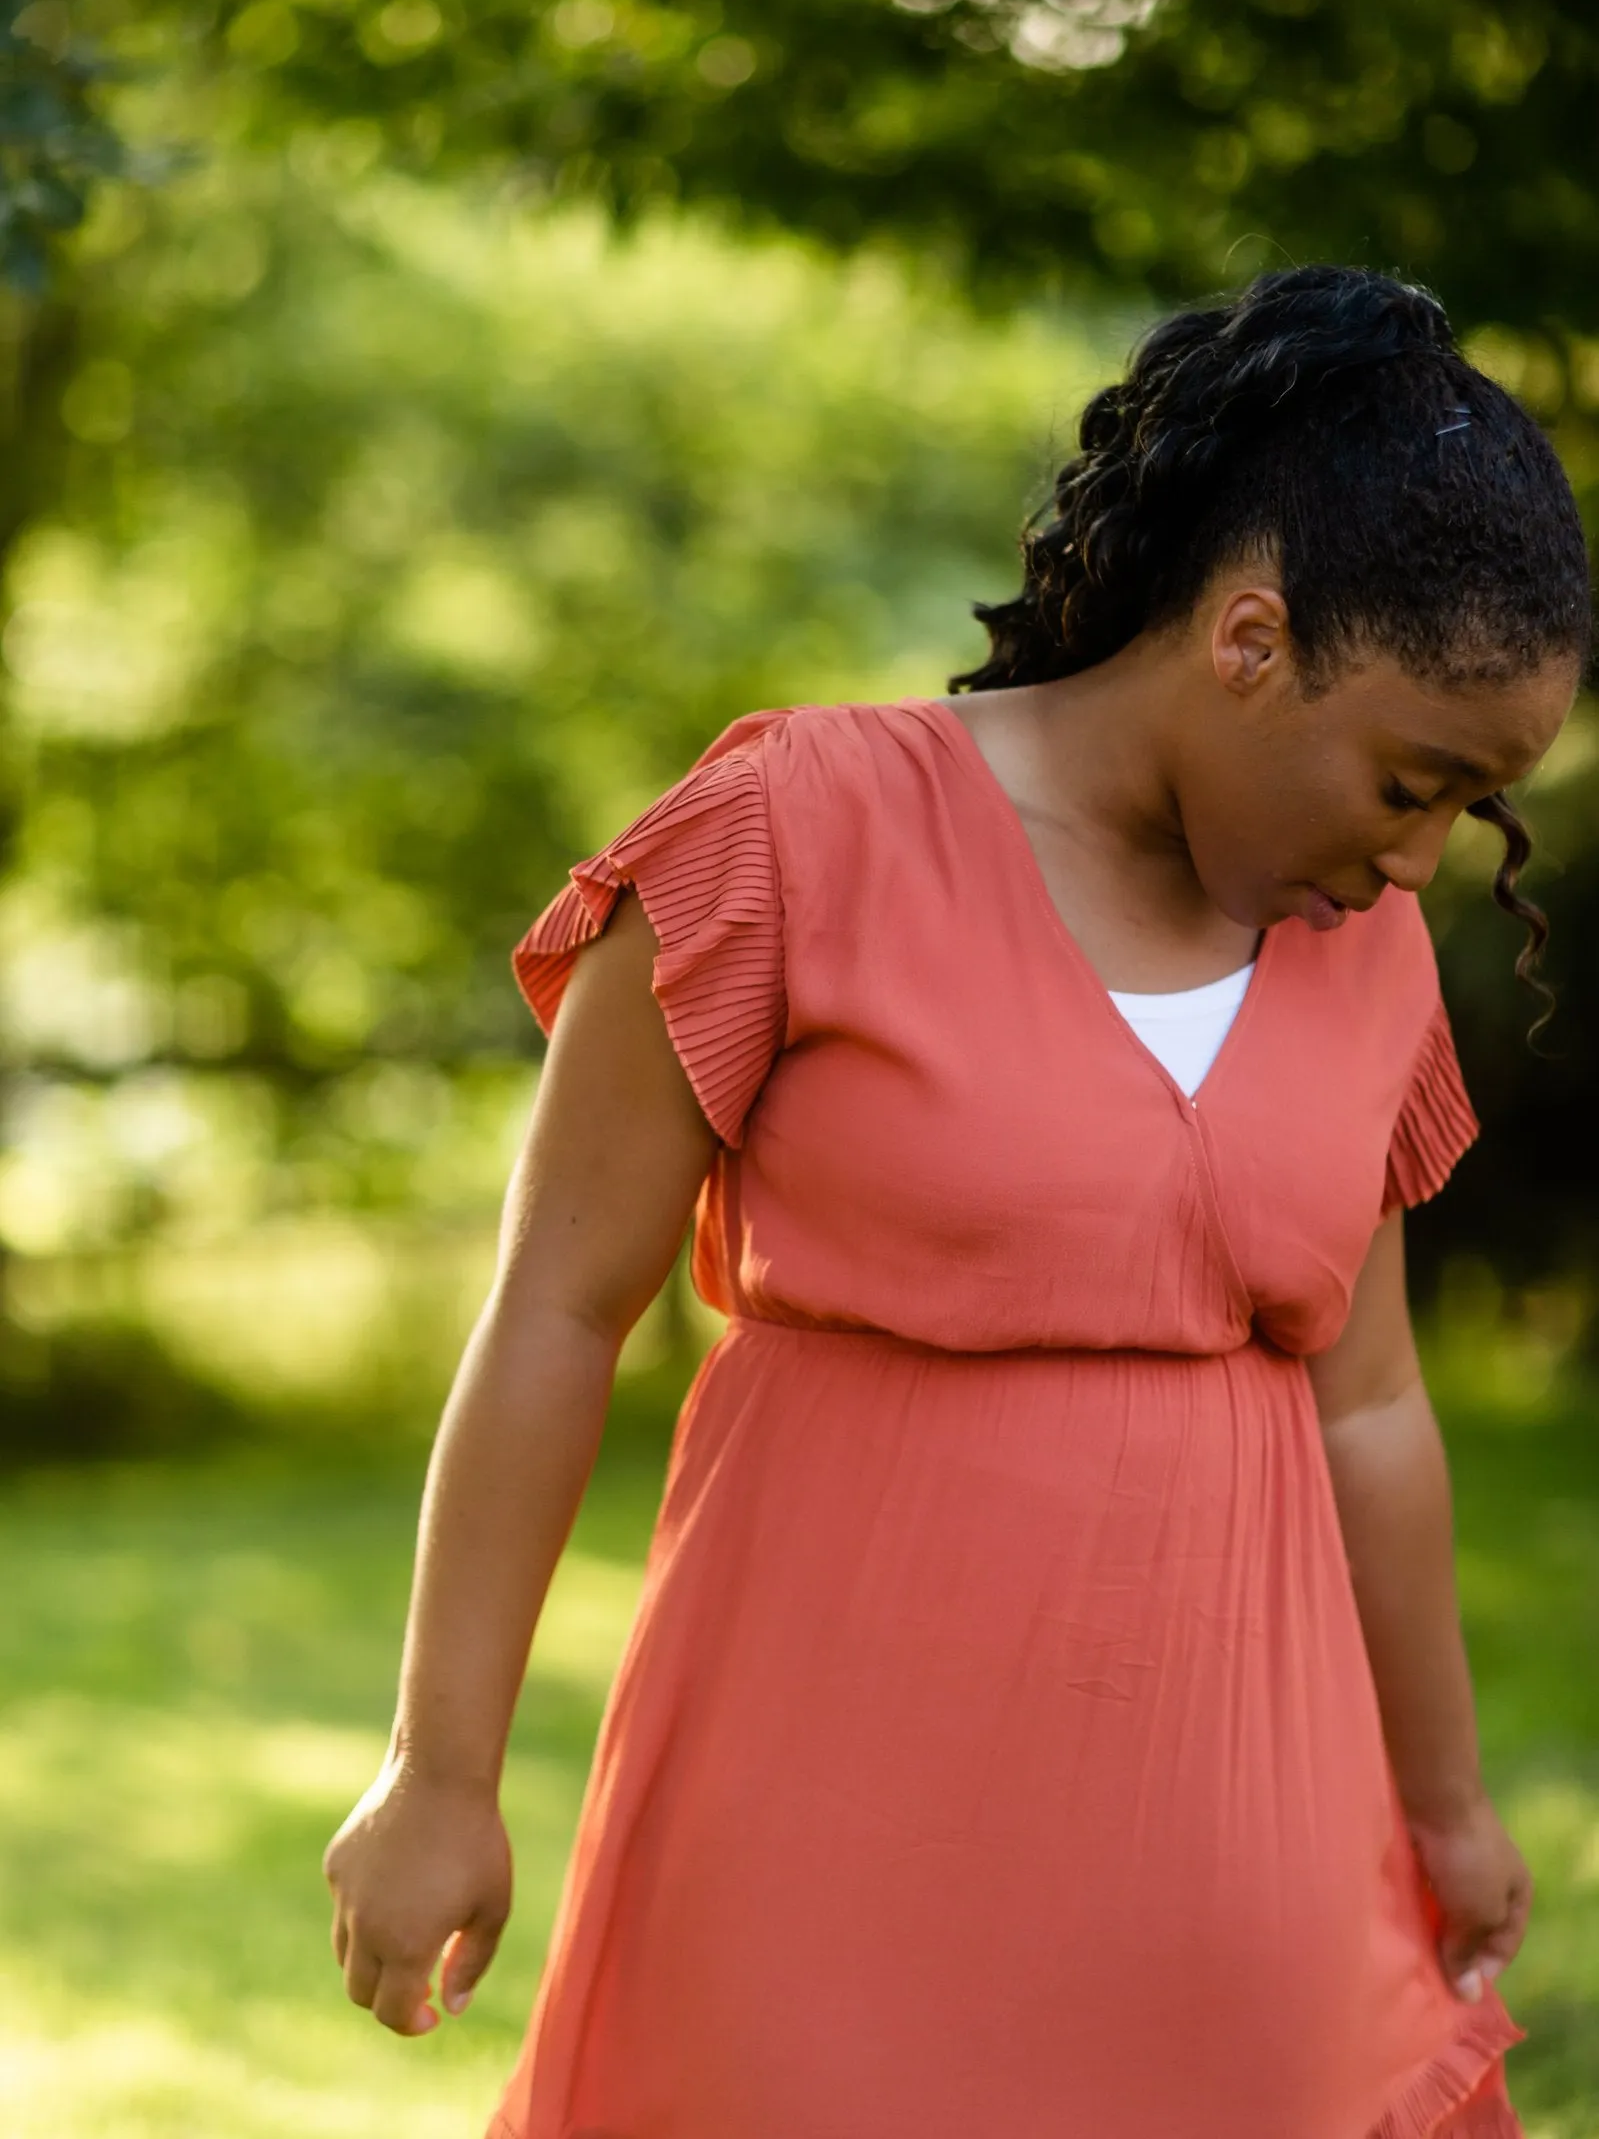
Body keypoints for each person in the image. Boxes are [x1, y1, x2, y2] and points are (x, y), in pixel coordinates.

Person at [324, 265, 1591, 2139]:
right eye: (1410, 782)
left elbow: (1375, 1403)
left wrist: (1442, 1802)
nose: (1416, 859)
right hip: (812, 1848)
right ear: (1248, 640)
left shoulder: (1366, 958)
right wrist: (441, 1768)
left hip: (1241, 1894)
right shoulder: (788, 831)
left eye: (1469, 814)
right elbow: (554, 1310)